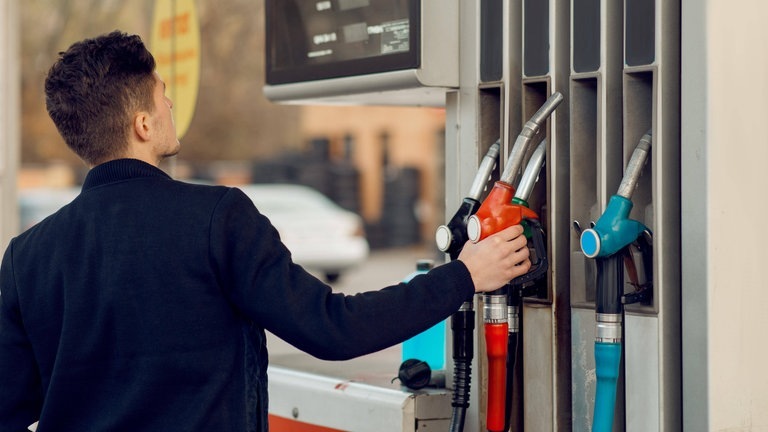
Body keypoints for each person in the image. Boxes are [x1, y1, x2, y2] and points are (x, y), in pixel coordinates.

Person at [0, 31, 531, 431]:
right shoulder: (216, 218)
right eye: (162, 94)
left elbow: (11, 405)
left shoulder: (28, 257)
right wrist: (465, 275)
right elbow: (332, 329)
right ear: (142, 123)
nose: (169, 105)